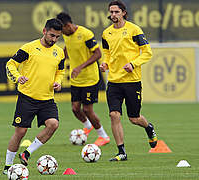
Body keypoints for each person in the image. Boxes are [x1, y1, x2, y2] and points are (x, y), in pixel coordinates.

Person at [3, 18, 65, 174]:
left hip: (47, 99)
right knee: (21, 132)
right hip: (27, 97)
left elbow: (60, 71)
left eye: (57, 37)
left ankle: (27, 152)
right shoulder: (29, 48)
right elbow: (10, 64)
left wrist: (58, 82)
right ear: (44, 31)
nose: (54, 39)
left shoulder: (59, 52)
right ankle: (7, 166)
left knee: (53, 124)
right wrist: (17, 77)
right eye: (52, 35)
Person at [100, 0, 158, 161]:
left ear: (124, 13)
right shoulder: (106, 33)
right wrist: (105, 63)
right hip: (113, 81)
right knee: (114, 115)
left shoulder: (134, 30)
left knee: (134, 118)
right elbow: (108, 53)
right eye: (111, 12)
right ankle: (121, 152)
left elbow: (147, 53)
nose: (113, 15)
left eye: (116, 12)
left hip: (132, 81)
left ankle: (149, 127)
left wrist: (133, 64)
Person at [56, 12, 110, 147]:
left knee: (87, 110)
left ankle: (103, 135)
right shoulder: (67, 35)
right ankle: (88, 126)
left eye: (62, 30)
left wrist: (80, 67)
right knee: (75, 109)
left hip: (89, 79)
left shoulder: (85, 34)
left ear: (68, 25)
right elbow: (68, 48)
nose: (61, 34)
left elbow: (98, 54)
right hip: (76, 80)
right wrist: (59, 58)